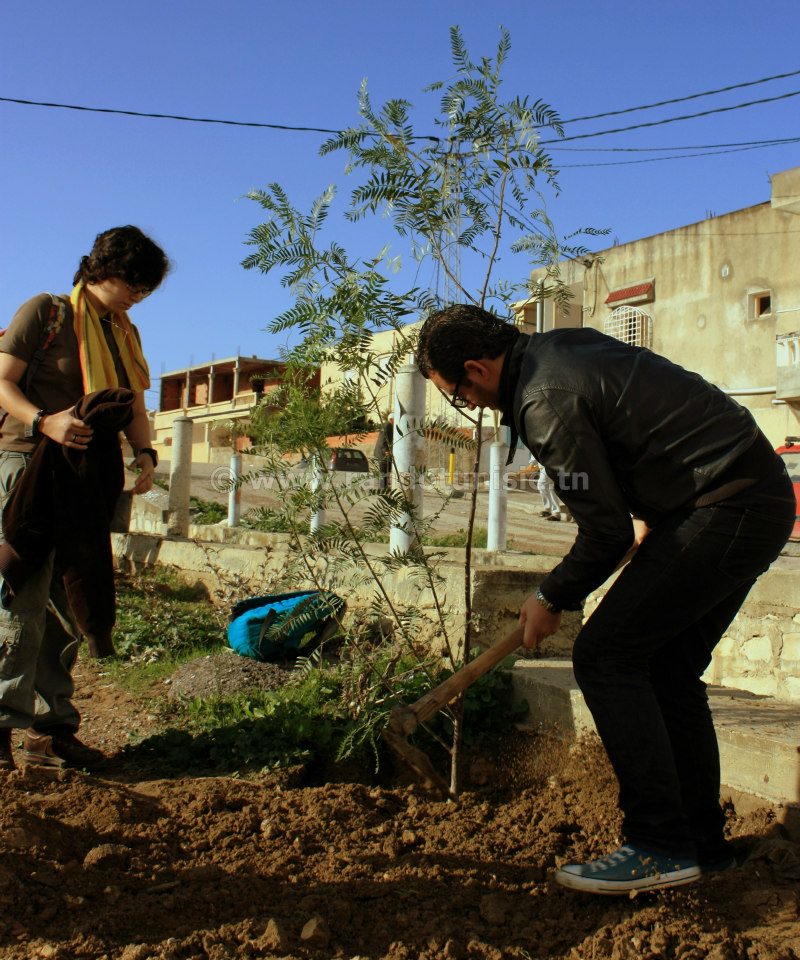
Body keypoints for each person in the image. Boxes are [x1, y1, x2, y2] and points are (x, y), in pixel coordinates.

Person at [416, 304, 795, 895]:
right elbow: (638, 432)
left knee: (604, 656)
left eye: (460, 395)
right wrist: (654, 512)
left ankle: (657, 844)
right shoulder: (562, 348)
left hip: (726, 505)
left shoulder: (542, 402)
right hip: (743, 493)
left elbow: (605, 535)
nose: (472, 407)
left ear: (476, 368)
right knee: (666, 667)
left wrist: (550, 594)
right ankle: (699, 847)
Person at [0, 225, 169, 771]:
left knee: (73, 604)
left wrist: (145, 455)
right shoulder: (46, 313)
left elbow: (134, 405)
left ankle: (51, 731)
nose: (138, 294)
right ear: (104, 269)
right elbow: (2, 381)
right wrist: (43, 421)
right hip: (29, 469)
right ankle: (2, 728)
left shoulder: (124, 332)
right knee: (20, 601)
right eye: (134, 282)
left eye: (146, 288)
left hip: (86, 482)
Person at [529, 454, 562, 520]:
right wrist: (533, 463)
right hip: (547, 464)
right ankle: (555, 513)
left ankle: (549, 509)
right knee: (551, 487)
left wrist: (532, 462)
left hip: (549, 463)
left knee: (542, 484)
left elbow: (537, 448)